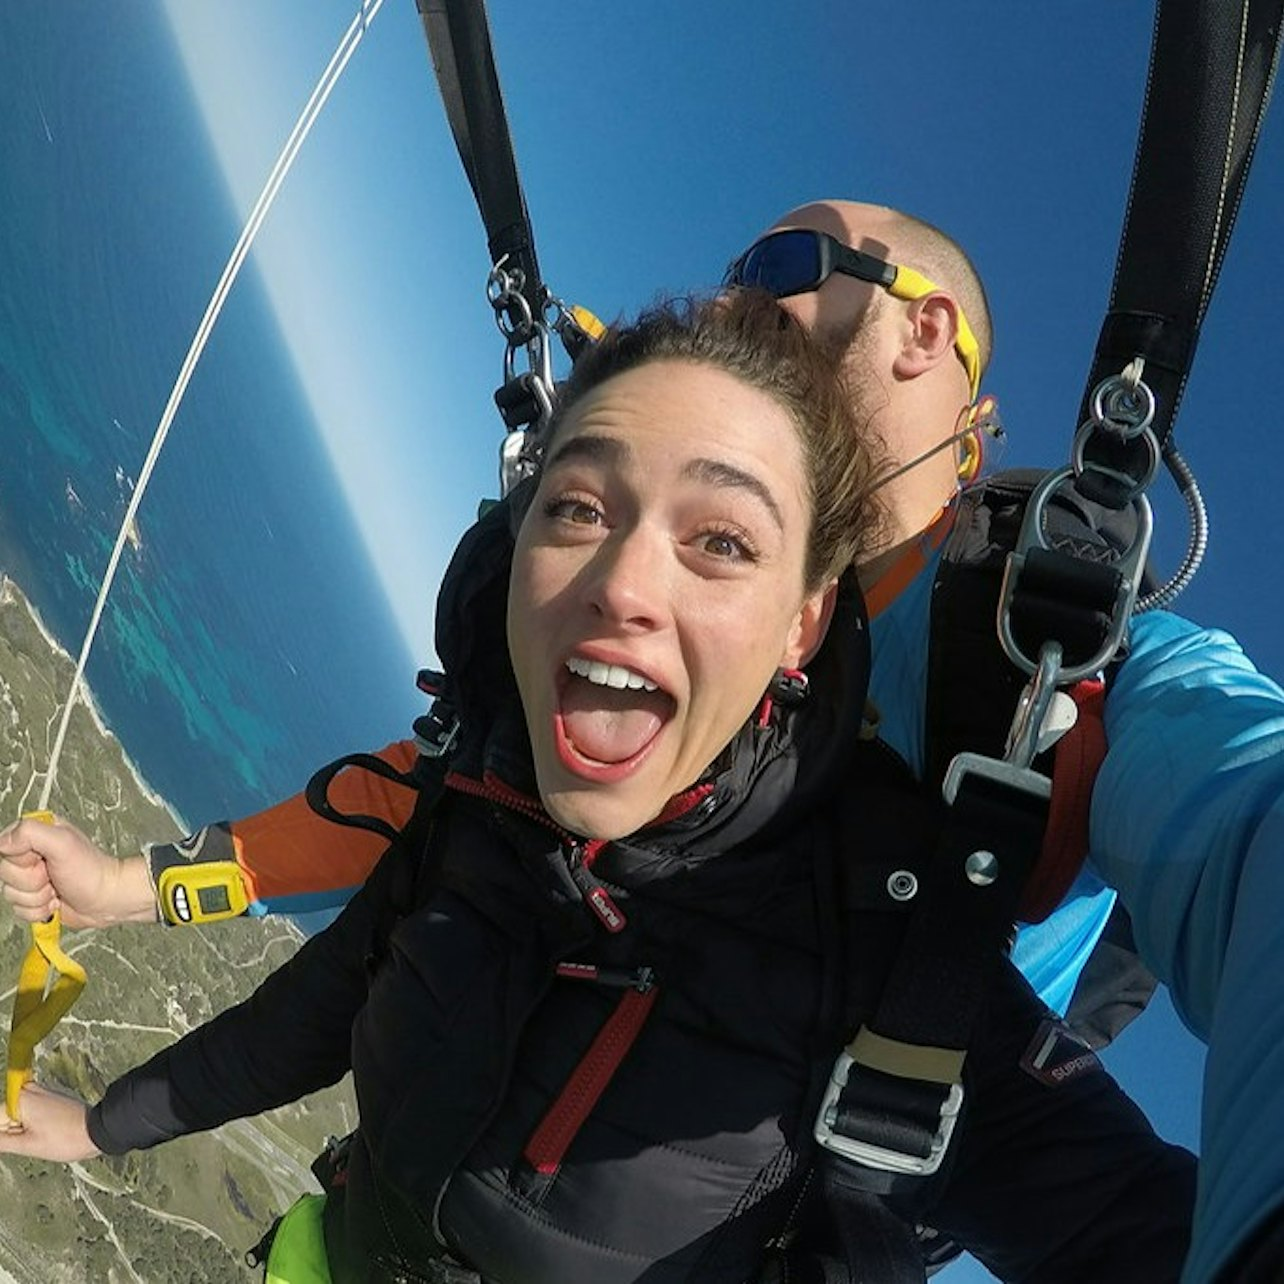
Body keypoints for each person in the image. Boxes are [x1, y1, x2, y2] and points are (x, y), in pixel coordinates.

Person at [0, 293, 1194, 1283]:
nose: (622, 578)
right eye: (577, 507)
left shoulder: (898, 957)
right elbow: (331, 989)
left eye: (721, 539)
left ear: (805, 623)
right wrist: (105, 1104)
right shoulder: (486, 789)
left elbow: (1132, 1229)